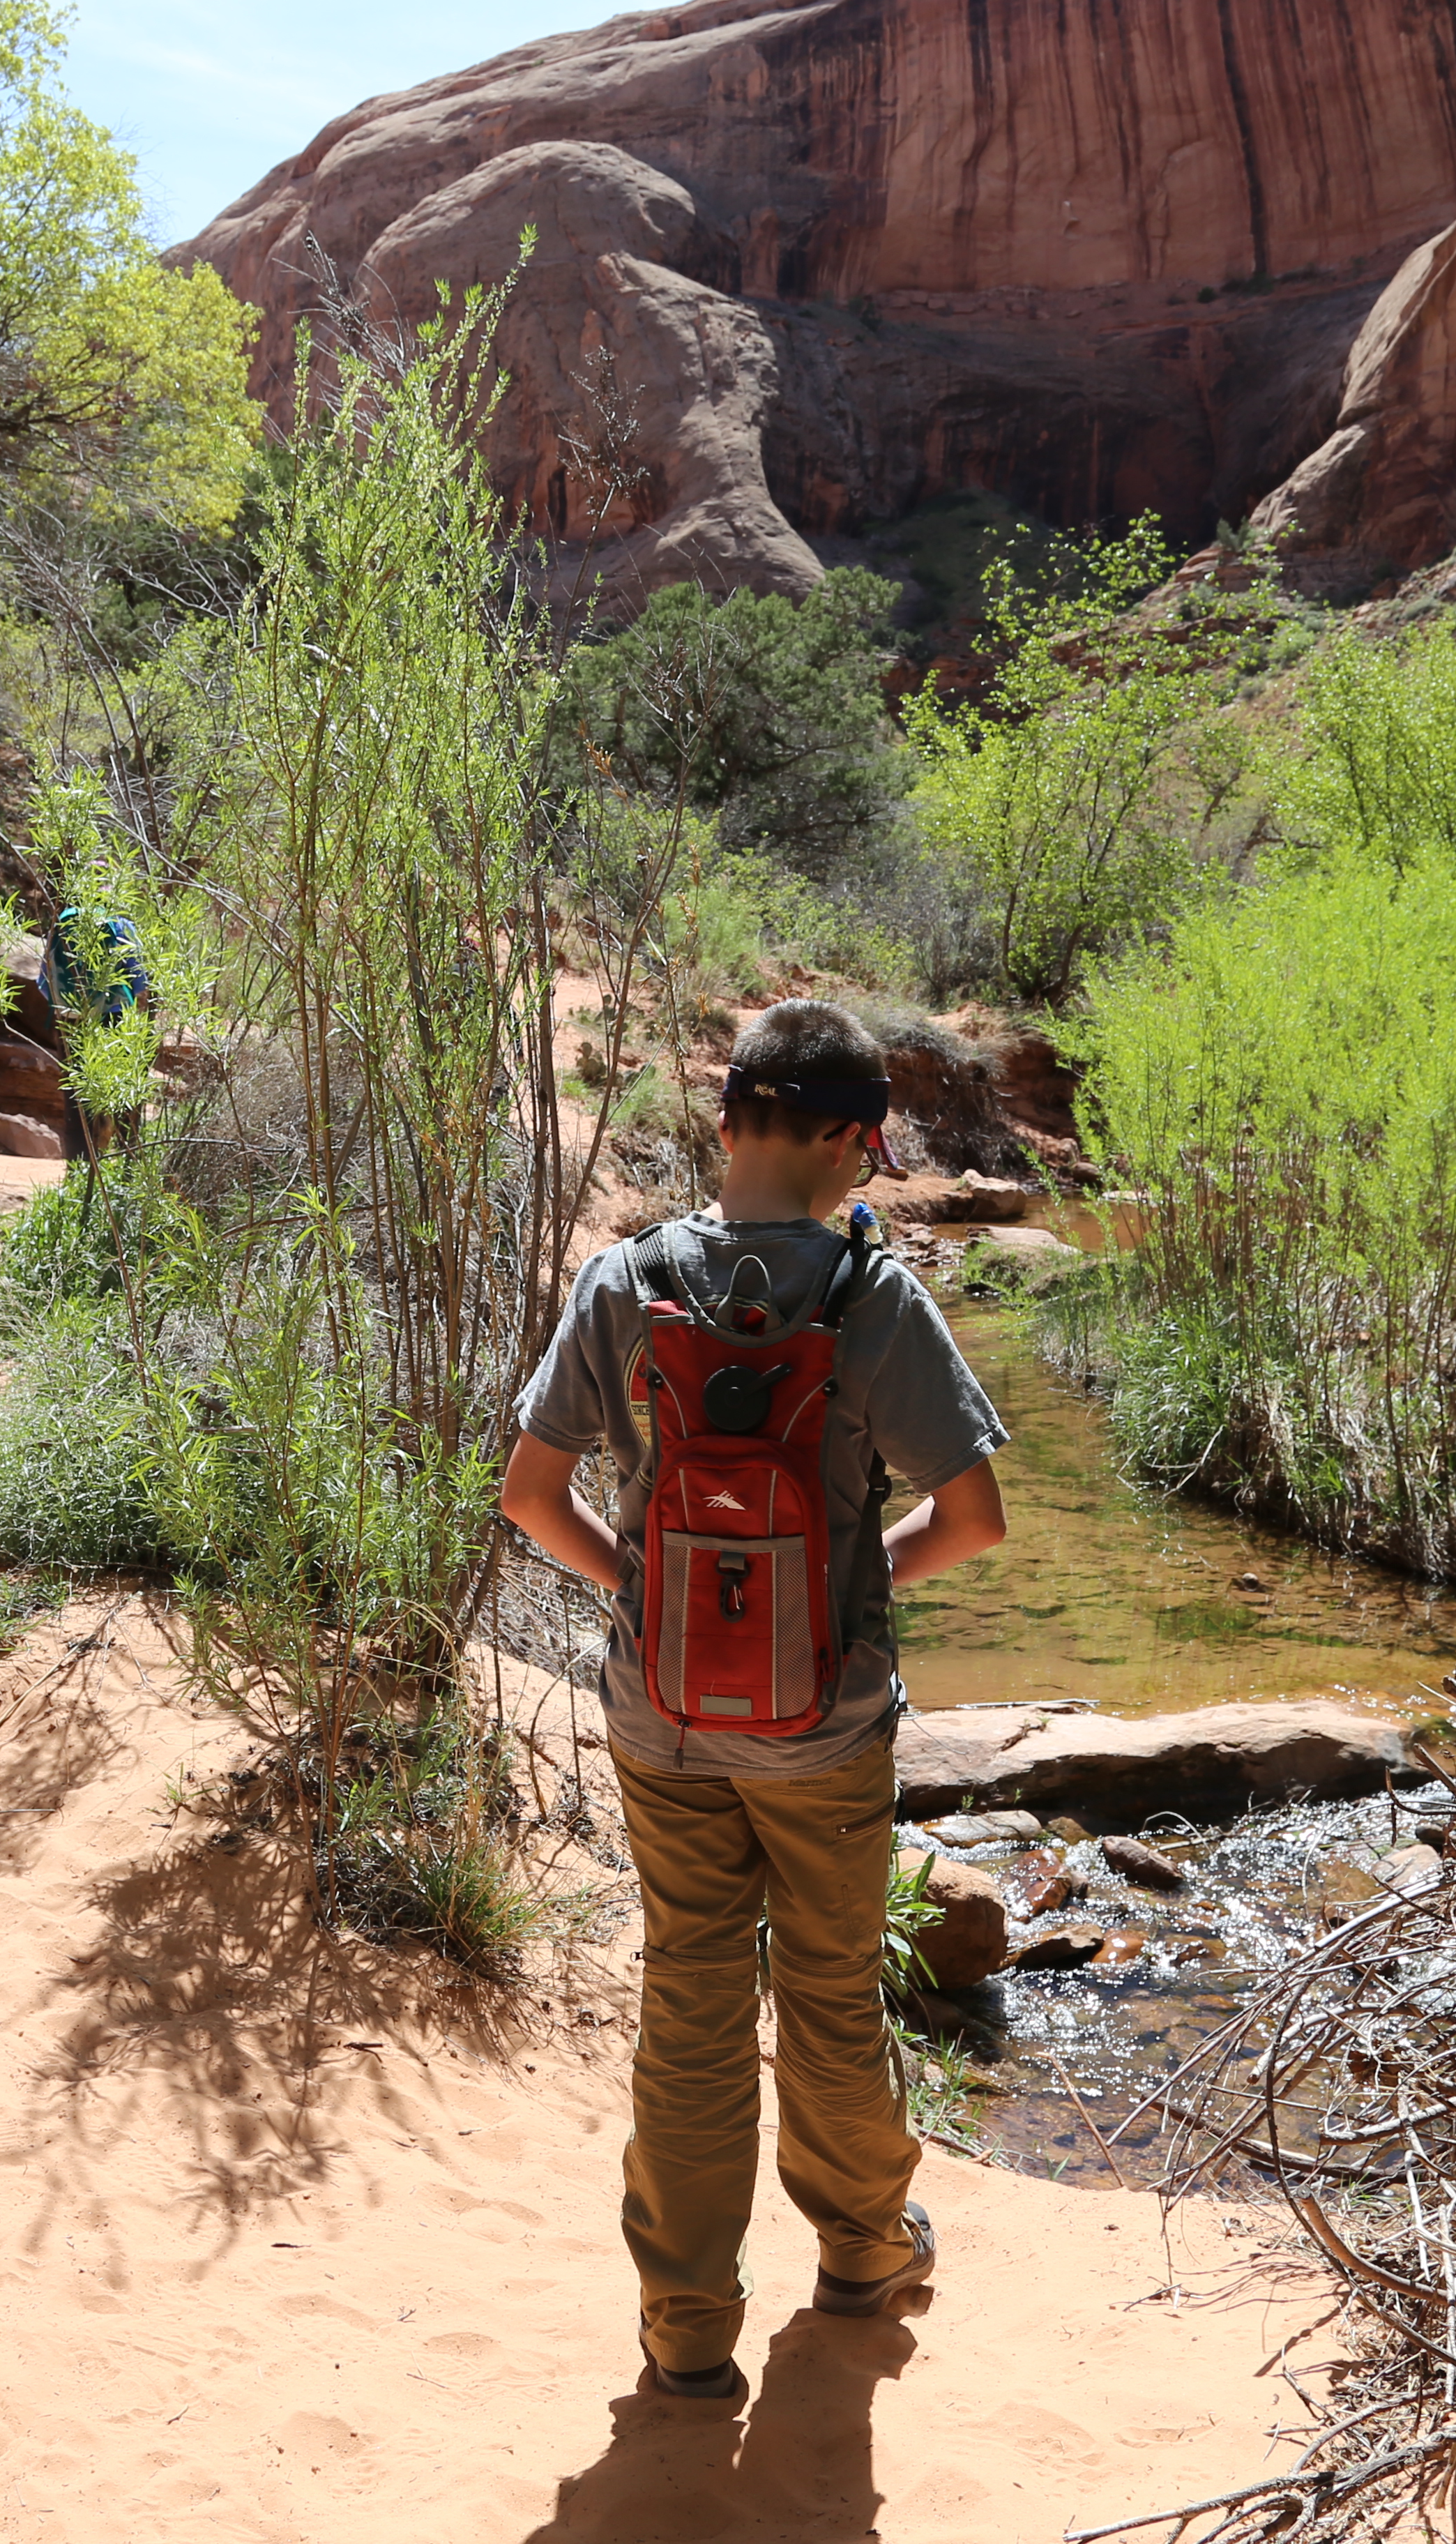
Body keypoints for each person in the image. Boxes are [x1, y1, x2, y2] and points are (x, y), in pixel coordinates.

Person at [497, 999, 1013, 2404]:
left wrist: (639, 1596)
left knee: (693, 2008)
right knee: (833, 1993)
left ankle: (684, 2332)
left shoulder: (627, 1280)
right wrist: (852, 1596)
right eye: (870, 1148)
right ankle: (860, 2254)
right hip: (825, 1728)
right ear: (851, 1141)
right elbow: (973, 1520)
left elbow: (530, 1500)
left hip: (660, 1717)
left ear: (728, 1122)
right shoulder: (873, 1297)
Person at [38, 902, 153, 1163]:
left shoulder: (63, 925)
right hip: (113, 1021)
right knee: (119, 1096)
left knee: (76, 1099)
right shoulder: (122, 927)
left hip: (69, 1021)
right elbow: (139, 982)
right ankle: (120, 1167)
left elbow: (44, 983)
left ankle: (78, 1172)